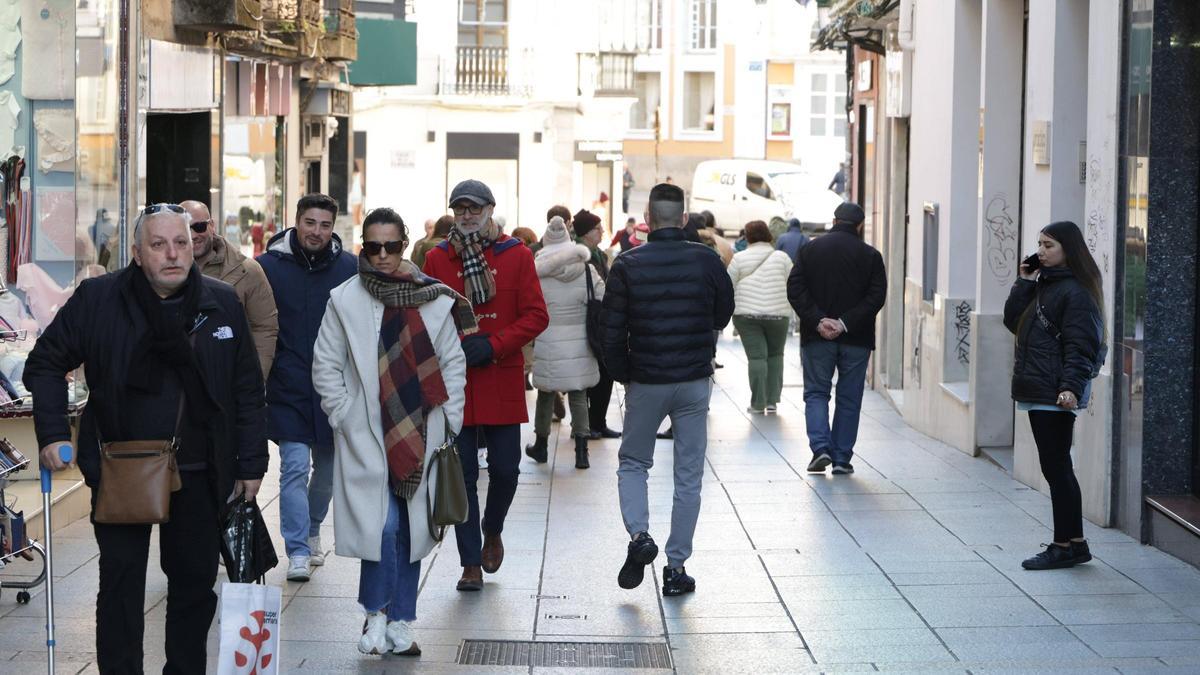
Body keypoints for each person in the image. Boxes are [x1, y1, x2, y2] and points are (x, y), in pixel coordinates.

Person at [28, 203, 266, 672]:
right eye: (158, 245)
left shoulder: (220, 303)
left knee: (195, 585)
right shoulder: (99, 299)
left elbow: (246, 390)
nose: (172, 254)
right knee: (120, 584)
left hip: (200, 468)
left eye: (180, 242)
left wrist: (251, 465)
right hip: (121, 465)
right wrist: (54, 433)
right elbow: (46, 362)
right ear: (137, 253)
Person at [312, 207, 470, 656]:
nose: (382, 255)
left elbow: (453, 365)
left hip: (422, 428)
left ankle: (401, 621)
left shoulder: (436, 300)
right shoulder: (344, 299)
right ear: (363, 246)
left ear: (404, 245)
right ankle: (376, 612)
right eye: (373, 246)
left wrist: (450, 419)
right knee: (381, 527)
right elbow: (325, 364)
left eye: (392, 246)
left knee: (411, 529)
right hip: (366, 432)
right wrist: (343, 415)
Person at [602, 183, 734, 597]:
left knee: (634, 462)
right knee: (688, 475)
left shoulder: (627, 263)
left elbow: (609, 331)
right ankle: (676, 567)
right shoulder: (707, 260)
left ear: (647, 216)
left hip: (647, 379)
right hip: (693, 379)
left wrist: (626, 372)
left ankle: (640, 535)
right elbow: (724, 311)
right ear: (683, 217)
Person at [422, 179, 548, 592]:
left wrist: (494, 345)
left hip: (500, 376)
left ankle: (493, 529)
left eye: (474, 208)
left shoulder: (517, 255)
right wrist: (458, 347)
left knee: (507, 470)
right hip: (456, 382)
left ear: (491, 209)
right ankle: (470, 561)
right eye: (459, 208)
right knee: (462, 475)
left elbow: (535, 316)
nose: (467, 215)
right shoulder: (438, 258)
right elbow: (425, 317)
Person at [258, 193, 358, 581]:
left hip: (334, 387)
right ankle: (297, 548)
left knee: (329, 470)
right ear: (296, 222)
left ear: (333, 228)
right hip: (287, 385)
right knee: (294, 467)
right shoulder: (267, 267)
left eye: (325, 225)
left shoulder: (350, 267)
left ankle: (314, 528)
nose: (316, 231)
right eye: (310, 223)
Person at [1004, 221, 1104, 571]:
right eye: (1040, 245)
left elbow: (1081, 345)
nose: (1042, 252)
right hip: (1042, 385)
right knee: (1056, 467)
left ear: (1068, 249)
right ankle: (1072, 542)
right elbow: (1012, 321)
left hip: (1054, 389)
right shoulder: (1045, 285)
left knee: (1058, 468)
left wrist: (1070, 387)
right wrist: (1024, 281)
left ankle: (1066, 545)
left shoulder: (1075, 292)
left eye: (1049, 246)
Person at [787, 202, 886, 476]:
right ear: (860, 226)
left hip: (816, 337)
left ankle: (820, 449)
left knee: (817, 393)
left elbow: (795, 289)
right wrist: (844, 323)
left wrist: (819, 320)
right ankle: (842, 458)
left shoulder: (809, 250)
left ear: (833, 221)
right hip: (856, 338)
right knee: (849, 397)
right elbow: (876, 297)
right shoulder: (871, 256)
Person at [524, 216, 604, 469]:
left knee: (546, 394)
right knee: (579, 394)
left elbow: (528, 307)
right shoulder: (587, 269)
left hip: (548, 338)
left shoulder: (536, 273)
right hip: (580, 340)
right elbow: (602, 297)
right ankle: (582, 452)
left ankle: (541, 446)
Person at [183, 199, 279, 376]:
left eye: (199, 227)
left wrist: (255, 380)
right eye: (185, 229)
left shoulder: (248, 271)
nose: (193, 235)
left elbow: (264, 328)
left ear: (211, 225)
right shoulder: (165, 271)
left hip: (229, 383)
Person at [728, 220, 793, 414]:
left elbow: (728, 285)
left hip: (747, 316)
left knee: (757, 358)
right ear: (768, 234)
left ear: (747, 237)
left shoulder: (739, 259)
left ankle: (758, 403)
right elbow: (793, 283)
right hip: (778, 315)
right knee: (775, 356)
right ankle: (772, 401)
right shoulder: (782, 257)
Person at [573, 208, 622, 441]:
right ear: (586, 233)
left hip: (600, 320)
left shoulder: (599, 254)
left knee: (605, 371)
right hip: (583, 322)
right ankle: (586, 424)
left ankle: (598, 422)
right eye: (597, 228)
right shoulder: (578, 255)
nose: (602, 231)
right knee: (590, 374)